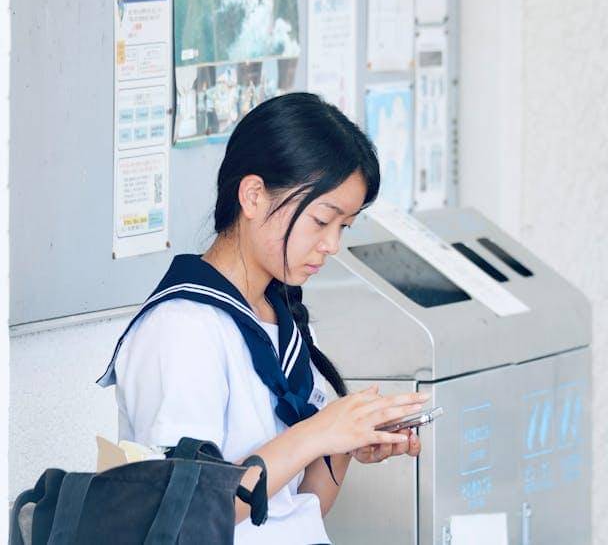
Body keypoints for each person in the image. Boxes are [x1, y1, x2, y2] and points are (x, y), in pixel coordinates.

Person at [98, 93, 428, 544]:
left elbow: (298, 511)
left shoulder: (283, 316)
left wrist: (344, 446)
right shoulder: (182, 329)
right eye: (321, 221)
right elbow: (184, 517)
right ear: (253, 196)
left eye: (344, 227)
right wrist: (318, 434)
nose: (332, 244)